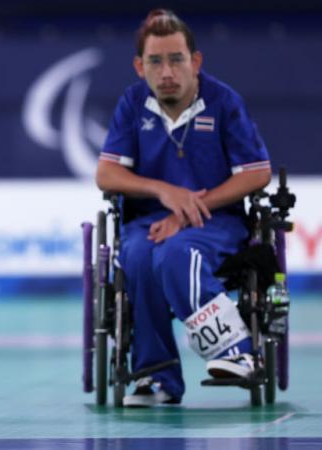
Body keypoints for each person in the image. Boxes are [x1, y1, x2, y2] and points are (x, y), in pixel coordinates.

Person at [95, 9, 272, 407]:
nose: (167, 71)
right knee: (139, 256)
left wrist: (189, 208)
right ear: (140, 67)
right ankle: (157, 377)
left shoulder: (224, 102)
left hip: (217, 221)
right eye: (155, 61)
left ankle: (238, 352)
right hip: (148, 223)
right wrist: (163, 191)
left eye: (176, 58)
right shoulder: (132, 103)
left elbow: (257, 174)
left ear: (195, 61)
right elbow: (106, 175)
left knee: (178, 252)